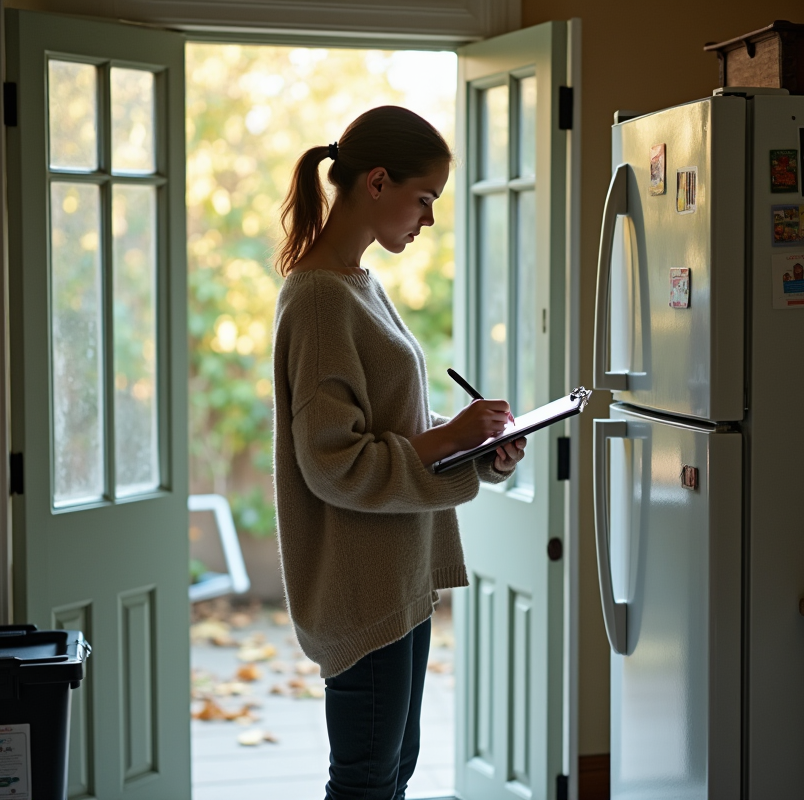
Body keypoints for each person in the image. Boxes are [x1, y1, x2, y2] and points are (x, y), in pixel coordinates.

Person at [270, 105, 526, 799]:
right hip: (362, 587)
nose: (429, 219)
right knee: (366, 784)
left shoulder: (357, 284)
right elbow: (335, 462)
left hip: (394, 576)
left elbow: (395, 423)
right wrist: (452, 438)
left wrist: (479, 447)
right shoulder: (321, 299)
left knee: (389, 774)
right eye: (425, 199)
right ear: (377, 183)